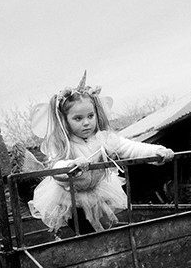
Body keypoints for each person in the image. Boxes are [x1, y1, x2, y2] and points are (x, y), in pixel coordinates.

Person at [28, 73, 174, 233]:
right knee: (85, 231)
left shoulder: (103, 138)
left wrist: (157, 151)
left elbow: (129, 148)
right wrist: (72, 165)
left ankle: (109, 247)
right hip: (71, 199)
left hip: (98, 192)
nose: (86, 122)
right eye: (78, 118)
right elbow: (57, 166)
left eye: (91, 116)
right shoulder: (62, 143)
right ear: (65, 121)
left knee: (107, 229)